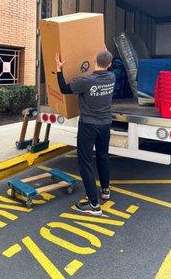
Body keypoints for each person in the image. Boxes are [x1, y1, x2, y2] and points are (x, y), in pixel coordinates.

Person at [55, 49, 115, 216]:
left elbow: (64, 89)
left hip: (89, 125)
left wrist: (59, 69)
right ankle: (105, 191)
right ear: (110, 64)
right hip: (105, 124)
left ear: (95, 60)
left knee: (86, 162)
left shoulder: (86, 81)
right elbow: (105, 62)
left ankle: (94, 205)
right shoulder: (112, 77)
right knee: (103, 157)